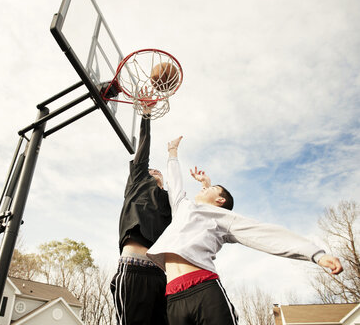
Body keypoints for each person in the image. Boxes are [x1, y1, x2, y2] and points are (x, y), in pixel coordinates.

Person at [147, 136, 343, 325]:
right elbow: (176, 185)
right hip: (173, 296)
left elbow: (262, 233)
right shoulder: (183, 207)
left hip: (204, 290)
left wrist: (315, 254)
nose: (205, 188)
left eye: (213, 188)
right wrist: (173, 151)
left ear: (220, 201)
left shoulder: (224, 219)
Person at [110, 110, 172, 325]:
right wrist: (146, 115)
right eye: (150, 169)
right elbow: (143, 148)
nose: (154, 170)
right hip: (133, 267)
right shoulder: (138, 182)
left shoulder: (170, 202)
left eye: (158, 171)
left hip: (161, 276)